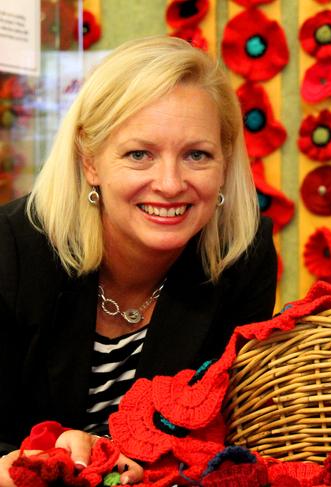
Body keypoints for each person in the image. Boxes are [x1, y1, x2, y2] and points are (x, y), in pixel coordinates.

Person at [0, 35, 277, 483]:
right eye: (139, 154)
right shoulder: (11, 249)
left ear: (225, 160)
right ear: (90, 161)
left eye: (196, 155)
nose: (169, 183)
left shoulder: (241, 256)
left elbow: (227, 431)